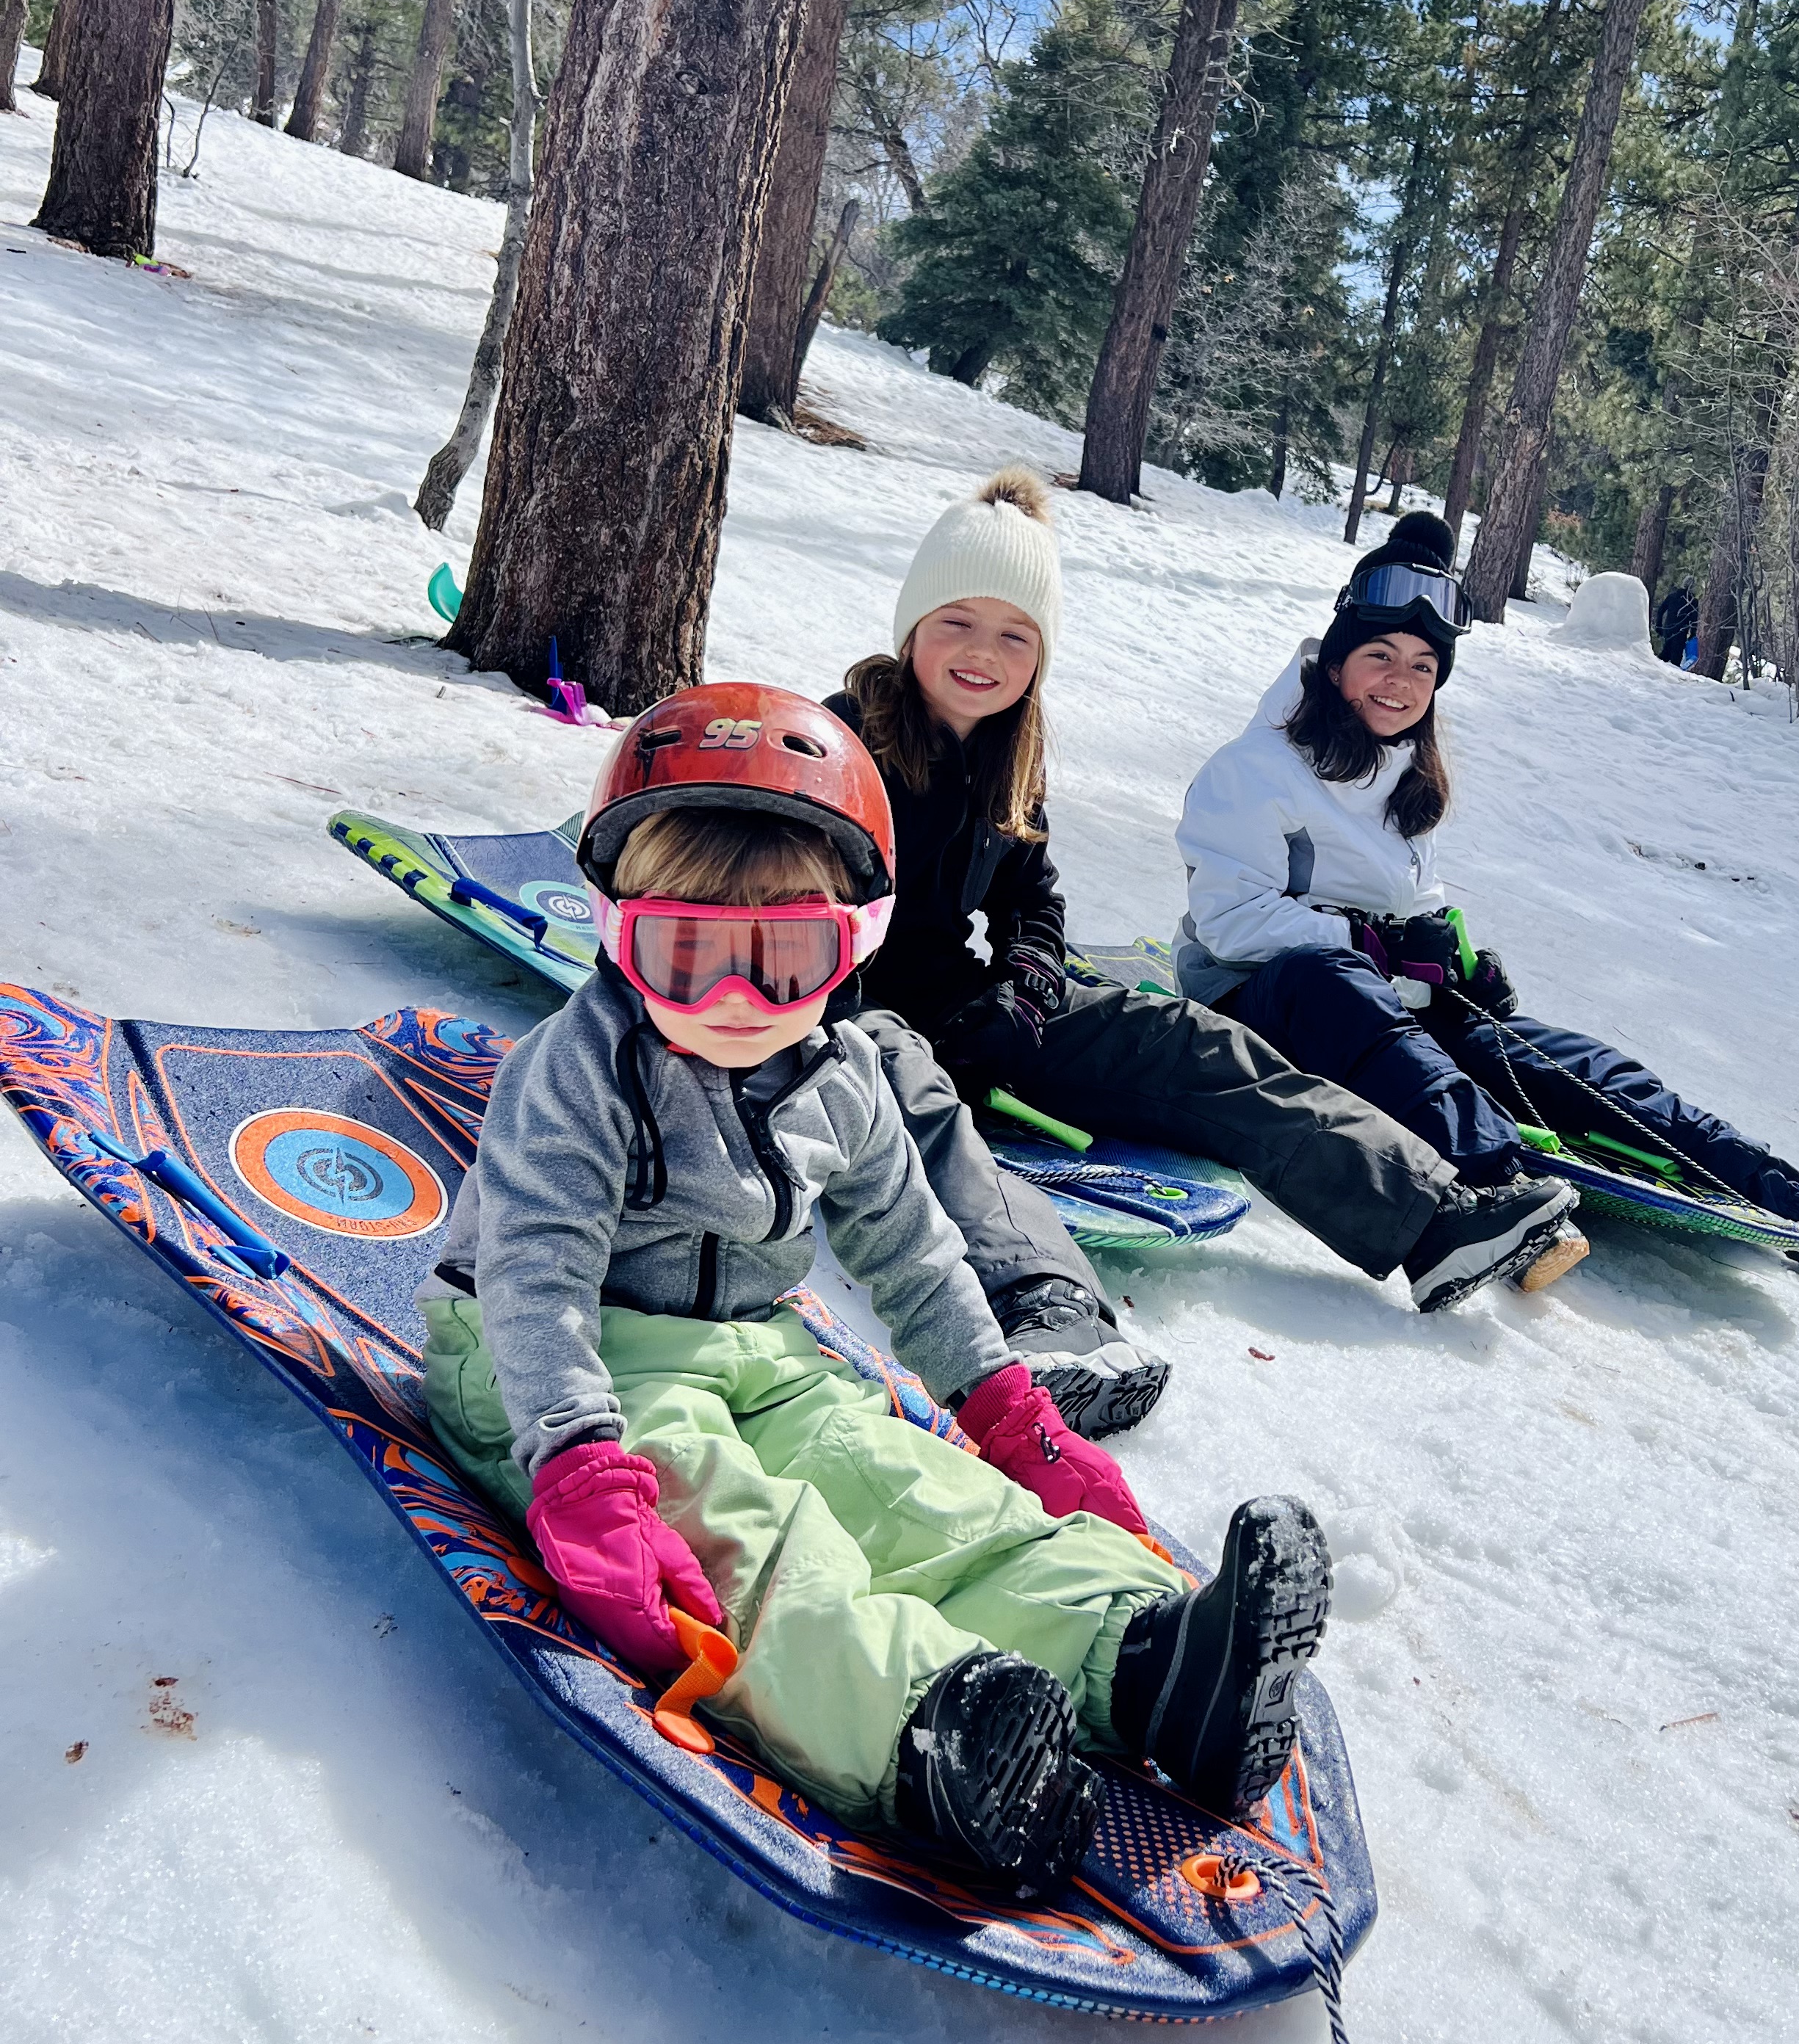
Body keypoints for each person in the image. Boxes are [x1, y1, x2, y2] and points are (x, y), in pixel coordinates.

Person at [416, 681, 1333, 1895]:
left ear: (848, 944)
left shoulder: (845, 1074)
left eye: (782, 957)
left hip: (755, 1346)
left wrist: (1010, 1416)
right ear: (614, 928)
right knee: (752, 1537)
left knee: (915, 1491)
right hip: (557, 1366)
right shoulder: (577, 1069)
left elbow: (910, 1251)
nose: (734, 1002)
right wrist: (580, 1468)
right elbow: (534, 1276)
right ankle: (930, 1728)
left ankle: (1149, 1664)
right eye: (682, 955)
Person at [826, 468, 1587, 1312]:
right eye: (957, 622)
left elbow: (1031, 897)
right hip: (856, 1030)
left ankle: (1434, 1220)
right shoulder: (838, 748)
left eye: (1016, 635)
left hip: (977, 1012)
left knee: (1199, 1046)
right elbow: (787, 913)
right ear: (911, 629)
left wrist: (1033, 973)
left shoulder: (1010, 756)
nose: (983, 654)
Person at [1173, 512, 1799, 1290]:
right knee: (1338, 988)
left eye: (1424, 667)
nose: (1400, 683)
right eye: (1380, 657)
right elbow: (1231, 917)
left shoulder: (1403, 777)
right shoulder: (1253, 768)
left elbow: (1413, 904)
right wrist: (1375, 948)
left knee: (1566, 1063)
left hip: (1384, 1008)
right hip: (1257, 997)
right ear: (1334, 666)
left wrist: (1452, 966)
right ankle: (1499, 1191)